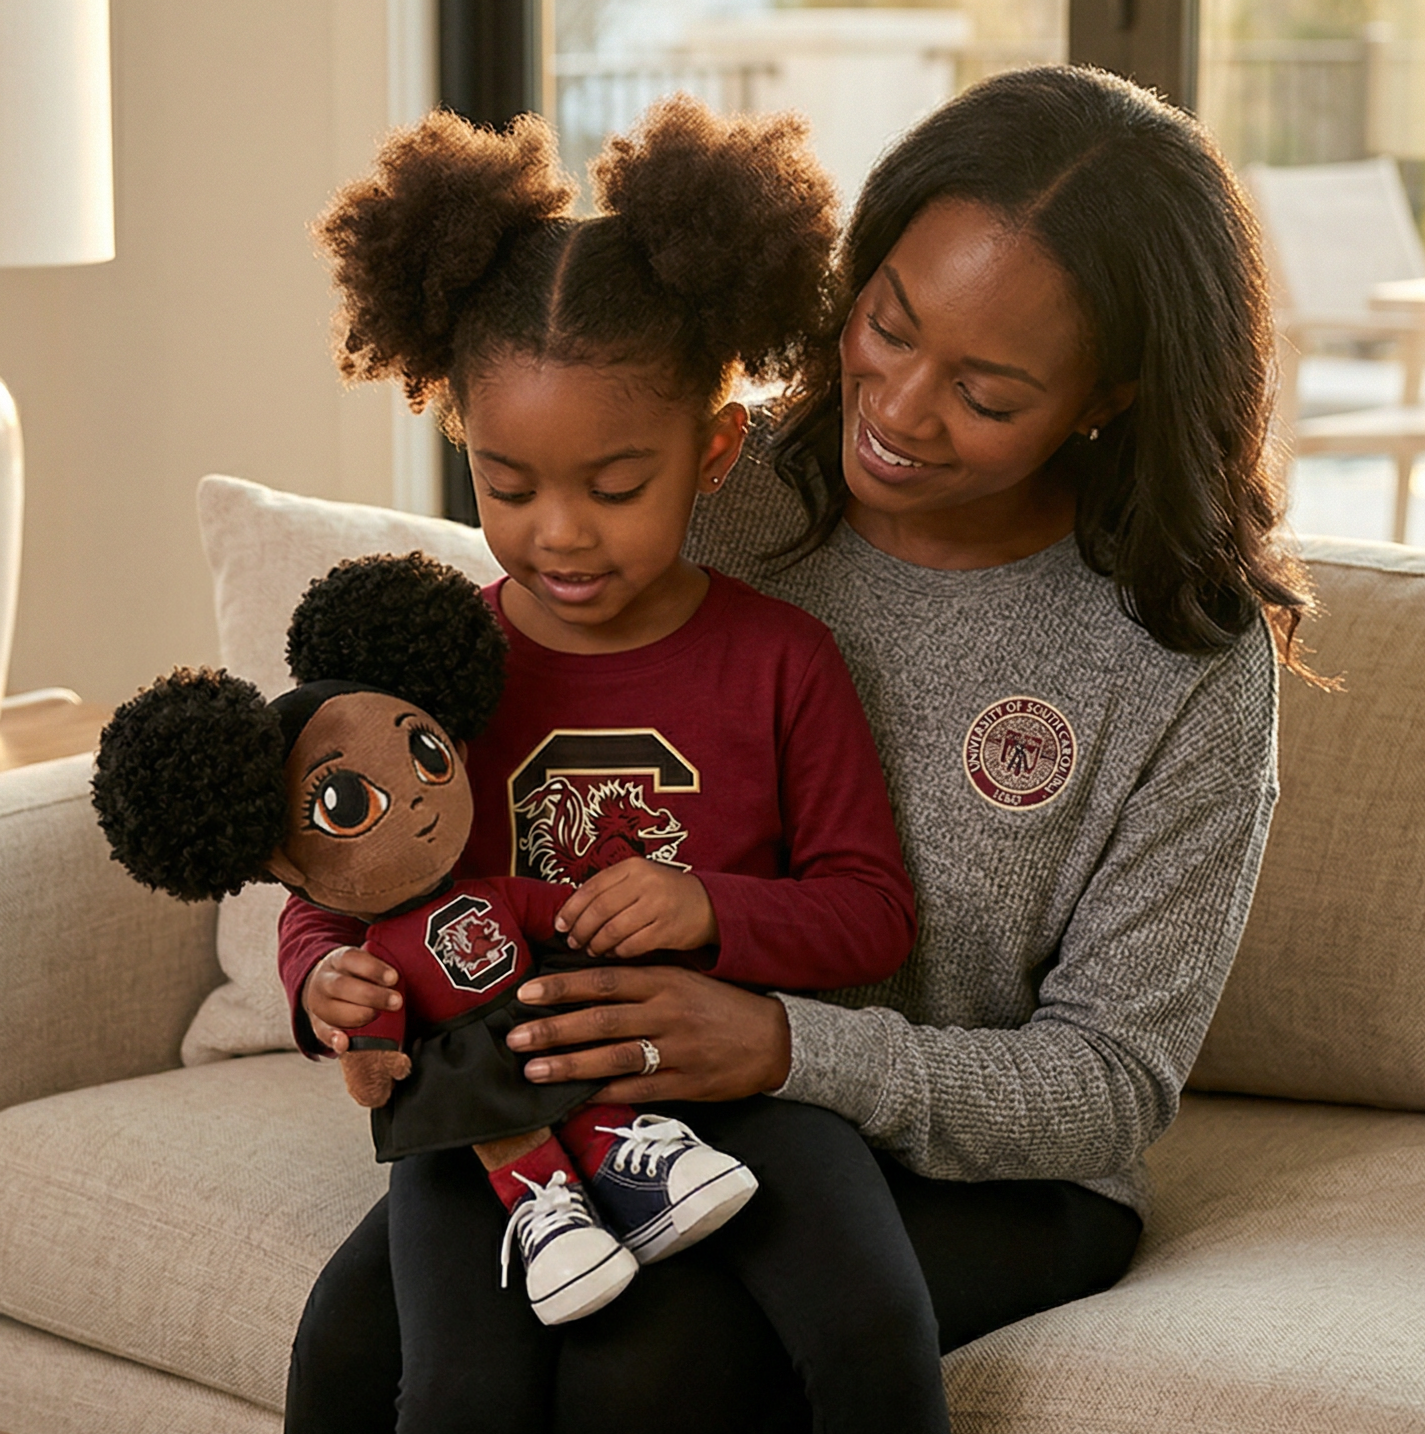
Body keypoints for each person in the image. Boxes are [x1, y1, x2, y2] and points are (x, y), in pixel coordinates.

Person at [290, 64, 1309, 1431]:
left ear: (1107, 394)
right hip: (632, 1094)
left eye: (988, 392)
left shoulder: (1181, 650)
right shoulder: (707, 481)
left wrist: (781, 1047)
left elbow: (1112, 1082)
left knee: (637, 1372)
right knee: (353, 1340)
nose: (895, 404)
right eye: (885, 324)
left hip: (979, 1170)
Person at [279, 97, 951, 1433]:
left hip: (725, 1083)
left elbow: (873, 914)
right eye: (510, 485)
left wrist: (710, 905)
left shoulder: (782, 661)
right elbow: (328, 875)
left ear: (710, 450)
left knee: (874, 1327)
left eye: (617, 483)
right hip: (486, 1111)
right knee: (386, 1365)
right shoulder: (434, 666)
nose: (560, 535)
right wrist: (326, 986)